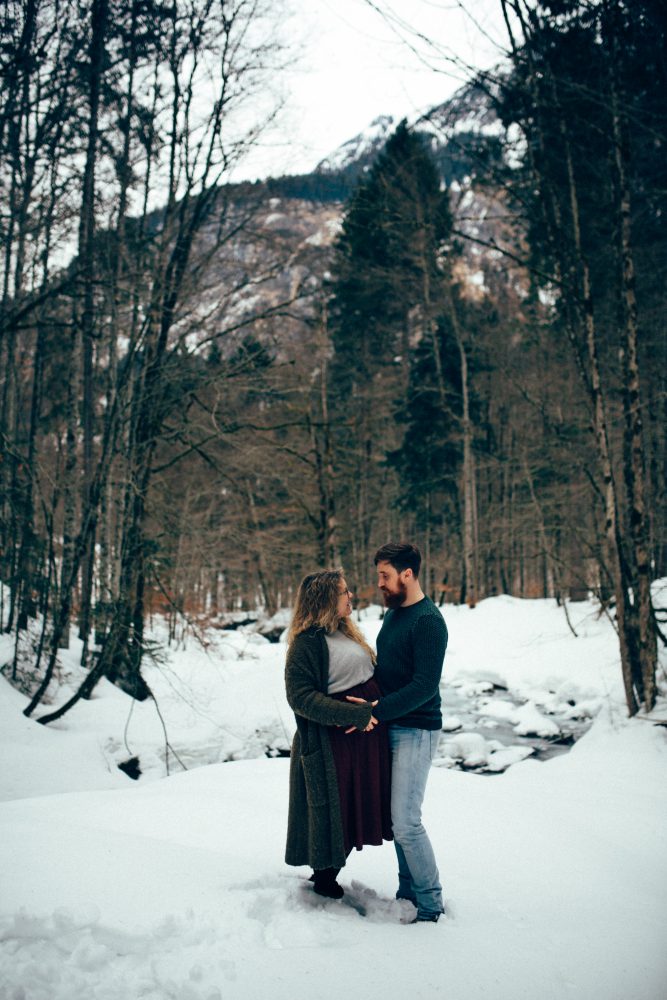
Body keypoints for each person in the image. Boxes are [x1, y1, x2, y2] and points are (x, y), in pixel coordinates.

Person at [349, 541, 447, 923]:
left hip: (417, 729)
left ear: (408, 574)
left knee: (407, 820)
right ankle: (408, 891)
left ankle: (430, 903)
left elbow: (425, 685)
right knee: (396, 819)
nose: (380, 584)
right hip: (391, 724)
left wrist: (377, 710)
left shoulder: (428, 622)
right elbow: (388, 671)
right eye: (379, 576)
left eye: (385, 576)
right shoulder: (393, 617)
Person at [284, 570, 392, 900]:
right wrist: (354, 715)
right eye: (344, 592)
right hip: (332, 743)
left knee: (350, 807)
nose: (351, 596)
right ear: (326, 599)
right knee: (332, 812)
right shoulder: (306, 644)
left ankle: (330, 872)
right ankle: (324, 878)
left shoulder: (346, 633)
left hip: (359, 740)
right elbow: (300, 697)